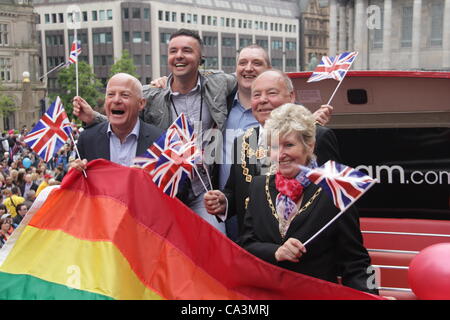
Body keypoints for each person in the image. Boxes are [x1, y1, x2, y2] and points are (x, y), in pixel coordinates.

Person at [73, 29, 236, 234]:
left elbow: (249, 78)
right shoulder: (152, 94)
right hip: (166, 190)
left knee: (214, 246)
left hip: (203, 190)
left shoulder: (218, 83)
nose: (179, 56)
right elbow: (125, 122)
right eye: (173, 51)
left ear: (201, 58)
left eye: (187, 50)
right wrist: (95, 118)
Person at [239, 103, 377, 294]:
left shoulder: (334, 189)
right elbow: (246, 245)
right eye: (274, 147)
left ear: (309, 145)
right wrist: (275, 252)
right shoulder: (258, 186)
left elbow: (355, 262)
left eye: (288, 145)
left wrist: (369, 297)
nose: (281, 155)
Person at [204, 69, 341, 238]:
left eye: (272, 93)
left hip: (304, 247)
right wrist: (222, 201)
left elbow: (335, 198)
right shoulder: (243, 141)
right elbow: (235, 191)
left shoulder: (316, 136)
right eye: (256, 95)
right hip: (254, 249)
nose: (263, 100)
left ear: (291, 97)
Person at [71, 73, 163, 171]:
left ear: (141, 103)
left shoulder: (160, 141)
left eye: (125, 95)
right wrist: (75, 172)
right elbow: (77, 184)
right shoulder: (87, 139)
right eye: (111, 94)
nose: (116, 100)